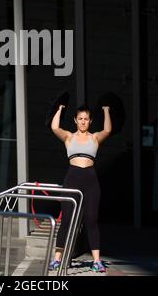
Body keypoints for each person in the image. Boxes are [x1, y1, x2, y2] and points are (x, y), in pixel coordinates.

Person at [48, 103, 112, 273]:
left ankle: (97, 261)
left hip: (90, 178)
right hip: (73, 177)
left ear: (90, 121)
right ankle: (57, 259)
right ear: (75, 120)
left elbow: (107, 130)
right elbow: (54, 127)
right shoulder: (69, 137)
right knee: (67, 219)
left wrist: (106, 110)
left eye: (86, 119)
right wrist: (60, 109)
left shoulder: (95, 137)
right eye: (80, 119)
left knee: (91, 220)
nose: (83, 122)